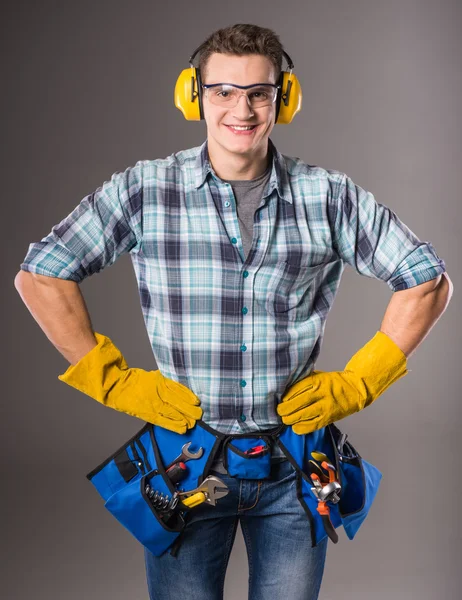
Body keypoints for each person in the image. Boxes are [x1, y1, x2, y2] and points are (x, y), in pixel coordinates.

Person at [14, 23, 452, 600]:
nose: (240, 108)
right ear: (192, 95)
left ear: (283, 99)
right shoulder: (145, 190)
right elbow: (41, 273)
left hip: (296, 469)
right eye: (222, 90)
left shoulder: (328, 197)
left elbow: (427, 280)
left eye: (258, 93)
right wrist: (111, 381)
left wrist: (362, 381)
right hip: (186, 468)